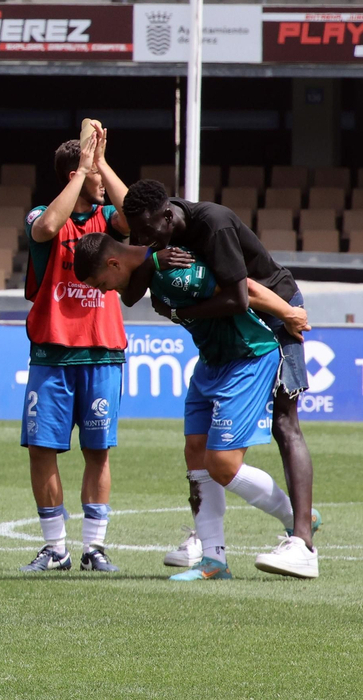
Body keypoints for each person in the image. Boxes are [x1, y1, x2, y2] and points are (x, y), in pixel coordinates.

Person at [74, 233, 306, 580]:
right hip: (210, 361)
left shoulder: (176, 270)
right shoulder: (153, 269)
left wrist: (289, 314)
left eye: (102, 284)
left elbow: (246, 291)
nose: (106, 292)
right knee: (195, 450)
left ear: (113, 263)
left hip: (247, 356)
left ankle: (298, 520)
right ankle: (213, 561)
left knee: (223, 464)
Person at [121, 179, 319, 578]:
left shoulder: (213, 224)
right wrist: (151, 262)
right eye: (136, 234)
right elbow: (131, 293)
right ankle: (209, 544)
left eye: (147, 232)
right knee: (198, 445)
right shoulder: (156, 232)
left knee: (285, 421)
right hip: (231, 330)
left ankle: (302, 538)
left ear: (167, 216)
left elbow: (239, 296)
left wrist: (182, 313)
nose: (142, 240)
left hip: (274, 311)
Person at [17, 128, 129, 574]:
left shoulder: (109, 219)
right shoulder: (42, 214)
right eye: (93, 173)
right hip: (52, 354)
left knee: (97, 451)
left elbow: (134, 215)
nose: (100, 180)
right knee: (42, 450)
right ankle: (55, 548)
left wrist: (100, 163)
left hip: (102, 353)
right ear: (73, 174)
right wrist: (83, 170)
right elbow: (45, 229)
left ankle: (94, 547)